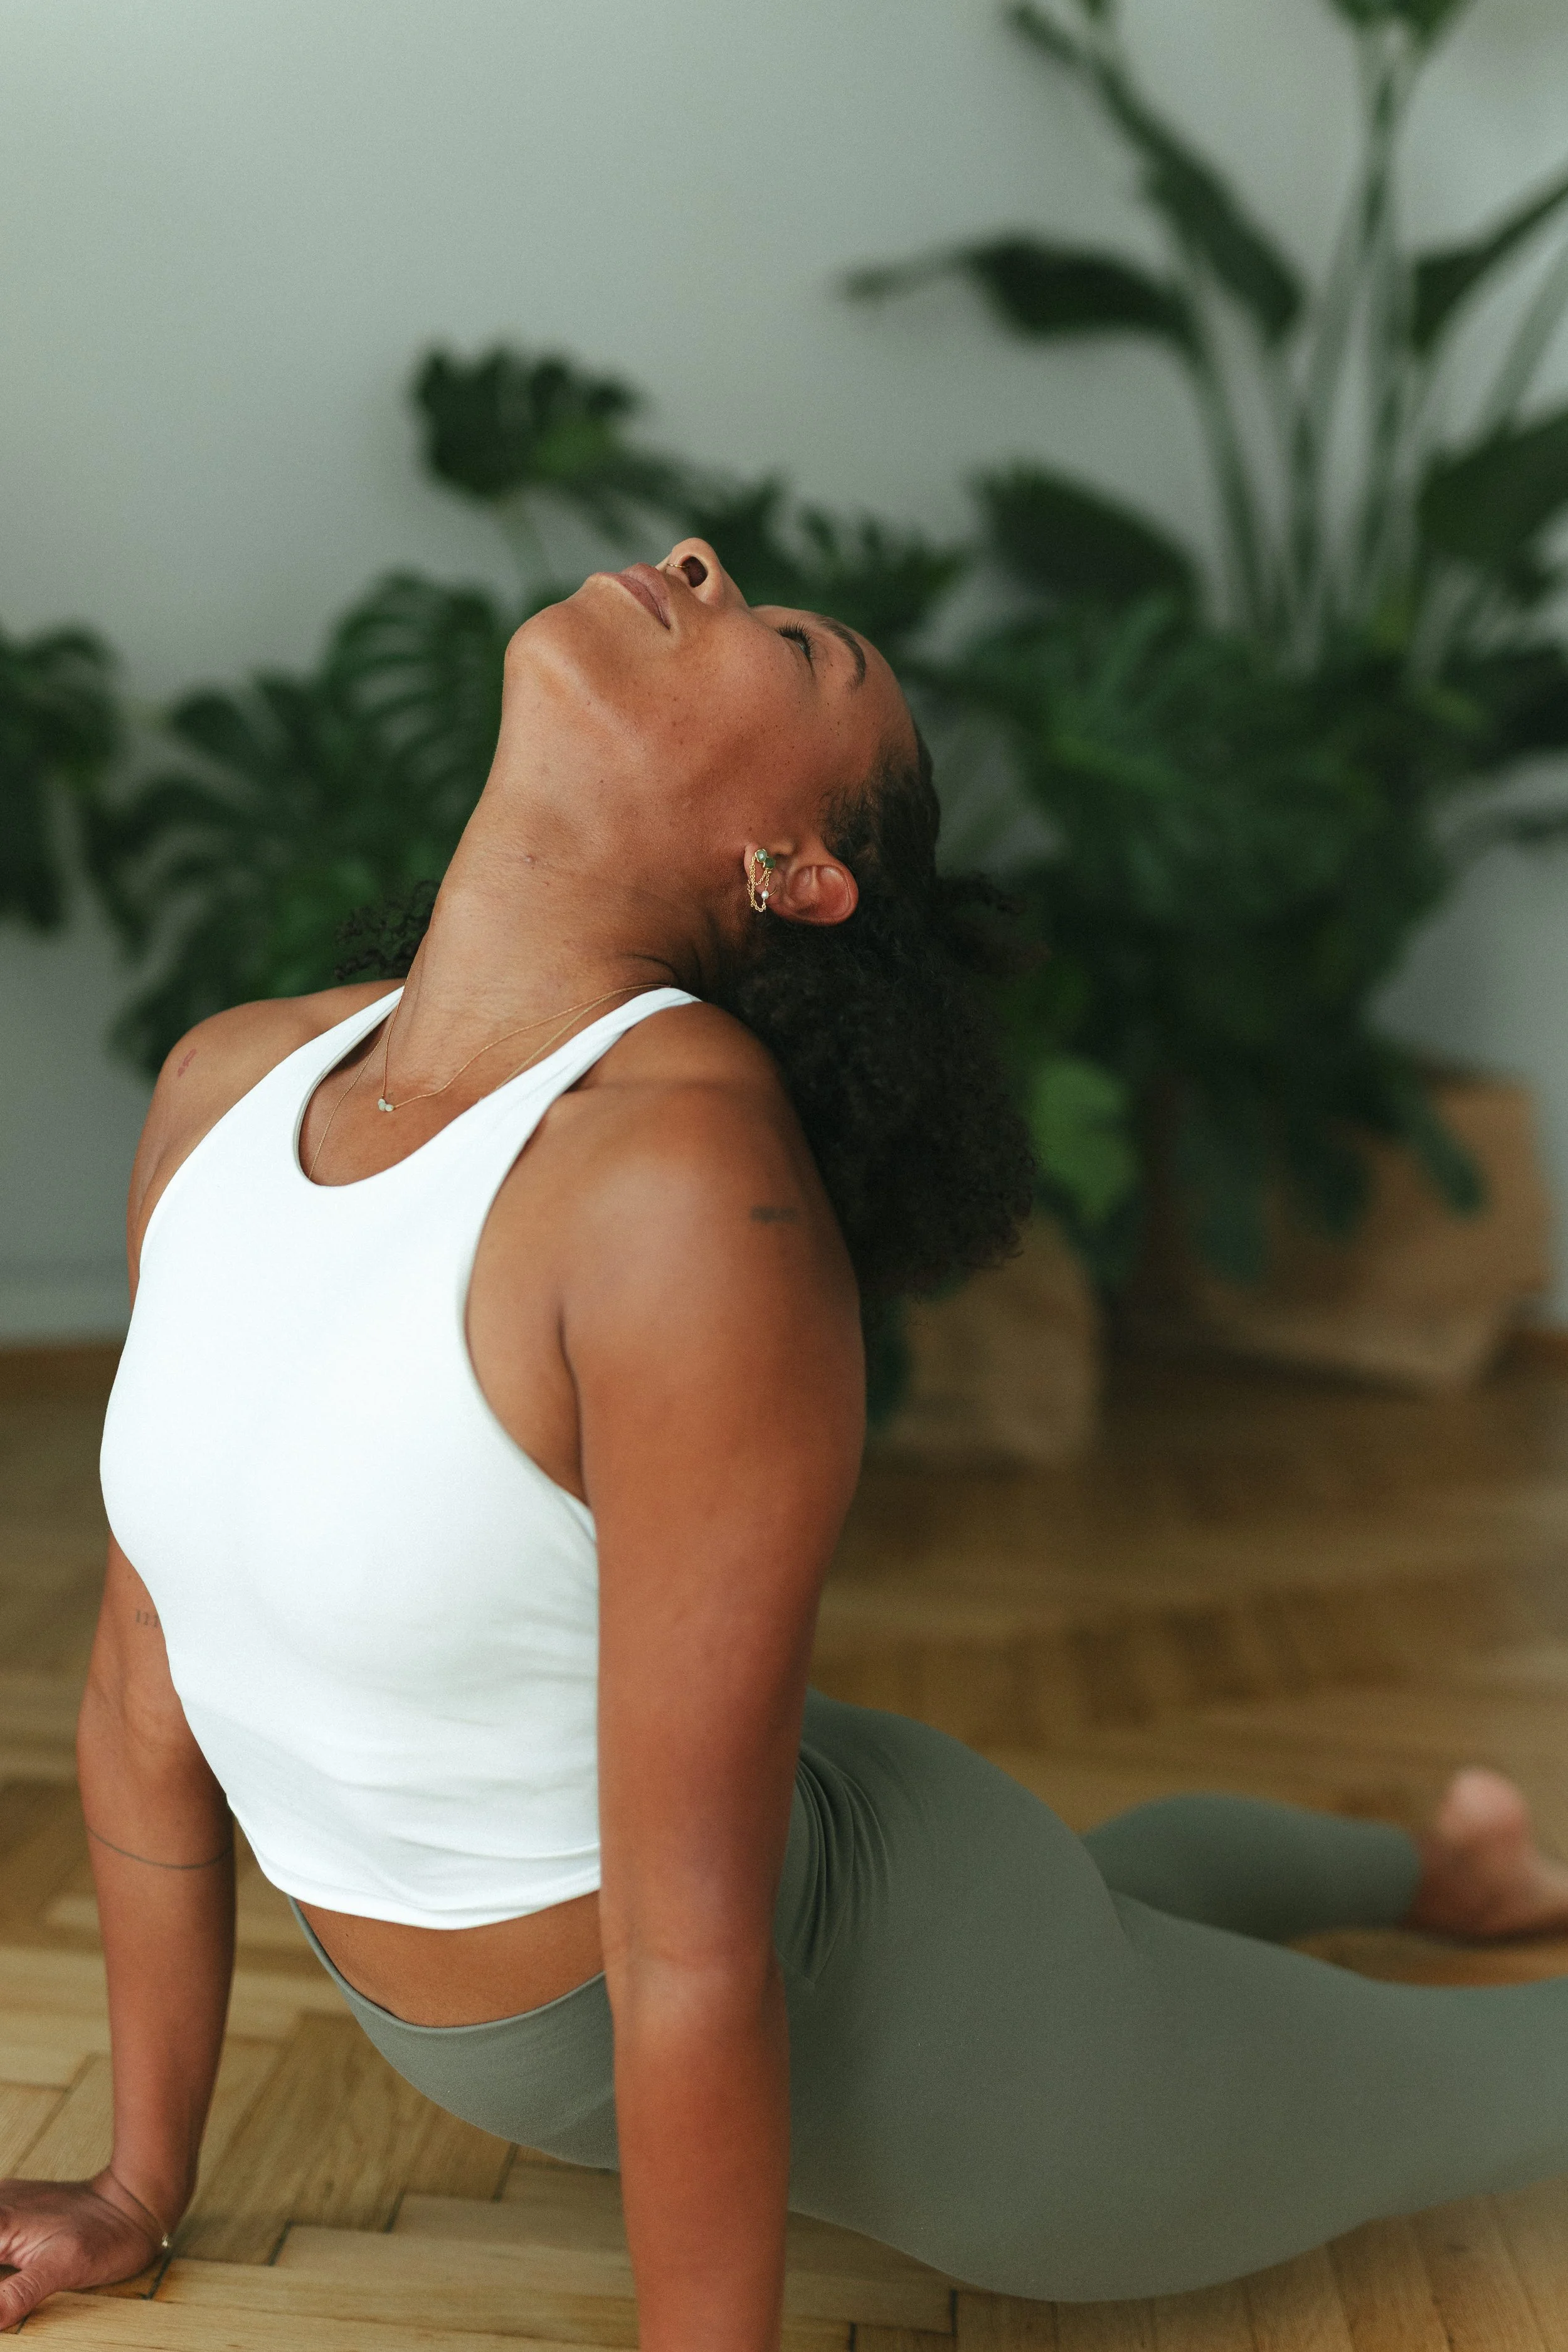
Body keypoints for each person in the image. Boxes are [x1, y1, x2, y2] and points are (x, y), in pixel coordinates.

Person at [4, 539, 1568, 2339]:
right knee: (1110, 1900)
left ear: (792, 872)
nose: (697, 559)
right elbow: (143, 1681)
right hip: (872, 1847)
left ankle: (1439, 1888)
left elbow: (689, 1943)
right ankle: (1439, 1868)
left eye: (798, 644)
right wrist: (132, 2188)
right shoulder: (232, 1082)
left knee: (1481, 2079)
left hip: (996, 2058)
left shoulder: (676, 1185)